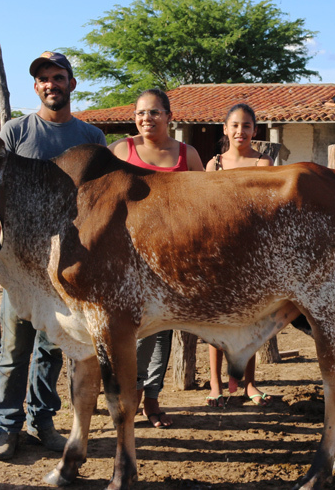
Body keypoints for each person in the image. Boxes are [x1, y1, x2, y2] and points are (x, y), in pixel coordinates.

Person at [0, 51, 108, 460]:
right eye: (43, 79)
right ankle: (6, 428)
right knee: (13, 348)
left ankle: (43, 422)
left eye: (58, 77)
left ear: (71, 84)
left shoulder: (92, 138)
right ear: (35, 86)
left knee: (51, 348)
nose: (50, 84)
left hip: (67, 264)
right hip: (20, 261)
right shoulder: (15, 132)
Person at [110, 88, 204, 428]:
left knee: (161, 330)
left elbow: (204, 204)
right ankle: (128, 396)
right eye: (140, 113)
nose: (146, 118)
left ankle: (152, 400)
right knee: (129, 330)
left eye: (153, 112)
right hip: (129, 256)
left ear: (169, 116)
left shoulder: (187, 154)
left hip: (172, 258)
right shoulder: (121, 150)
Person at [204, 103, 274, 407]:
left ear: (254, 130)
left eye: (246, 126)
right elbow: (207, 211)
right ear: (225, 128)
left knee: (251, 320)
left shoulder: (264, 165)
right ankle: (216, 386)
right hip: (218, 252)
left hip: (251, 254)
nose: (240, 131)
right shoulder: (213, 165)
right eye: (234, 125)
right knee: (216, 321)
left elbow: (266, 210)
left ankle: (249, 384)